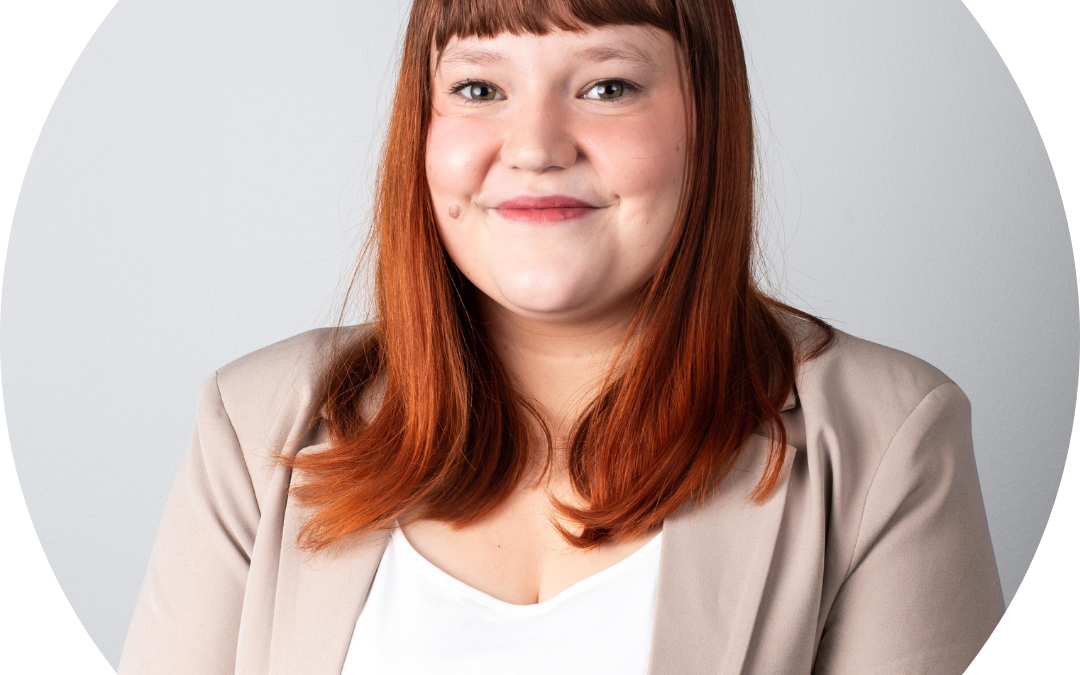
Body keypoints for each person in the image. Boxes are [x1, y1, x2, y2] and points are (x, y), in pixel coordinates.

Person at [118, 1, 1005, 673]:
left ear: (708, 115)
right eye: (479, 88)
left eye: (606, 87)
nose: (536, 146)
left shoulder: (888, 435)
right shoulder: (255, 423)